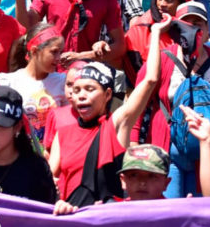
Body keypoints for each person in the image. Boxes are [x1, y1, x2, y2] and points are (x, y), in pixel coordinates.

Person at [133, 1, 210, 197]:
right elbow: (139, 100)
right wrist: (133, 141)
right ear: (176, 29)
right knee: (169, 213)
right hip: (168, 151)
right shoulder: (161, 59)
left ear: (207, 30)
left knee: (201, 214)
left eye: (199, 23)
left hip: (208, 153)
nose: (193, 29)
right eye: (186, 24)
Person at [50, 19, 165, 212]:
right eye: (76, 90)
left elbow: (150, 80)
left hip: (109, 219)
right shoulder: (62, 134)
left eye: (89, 89)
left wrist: (155, 34)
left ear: (108, 95)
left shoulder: (116, 126)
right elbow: (51, 177)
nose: (81, 95)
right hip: (72, 218)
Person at [0, 23, 67, 142]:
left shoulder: (62, 82)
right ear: (34, 51)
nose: (59, 57)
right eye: (54, 52)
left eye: (60, 52)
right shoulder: (9, 82)